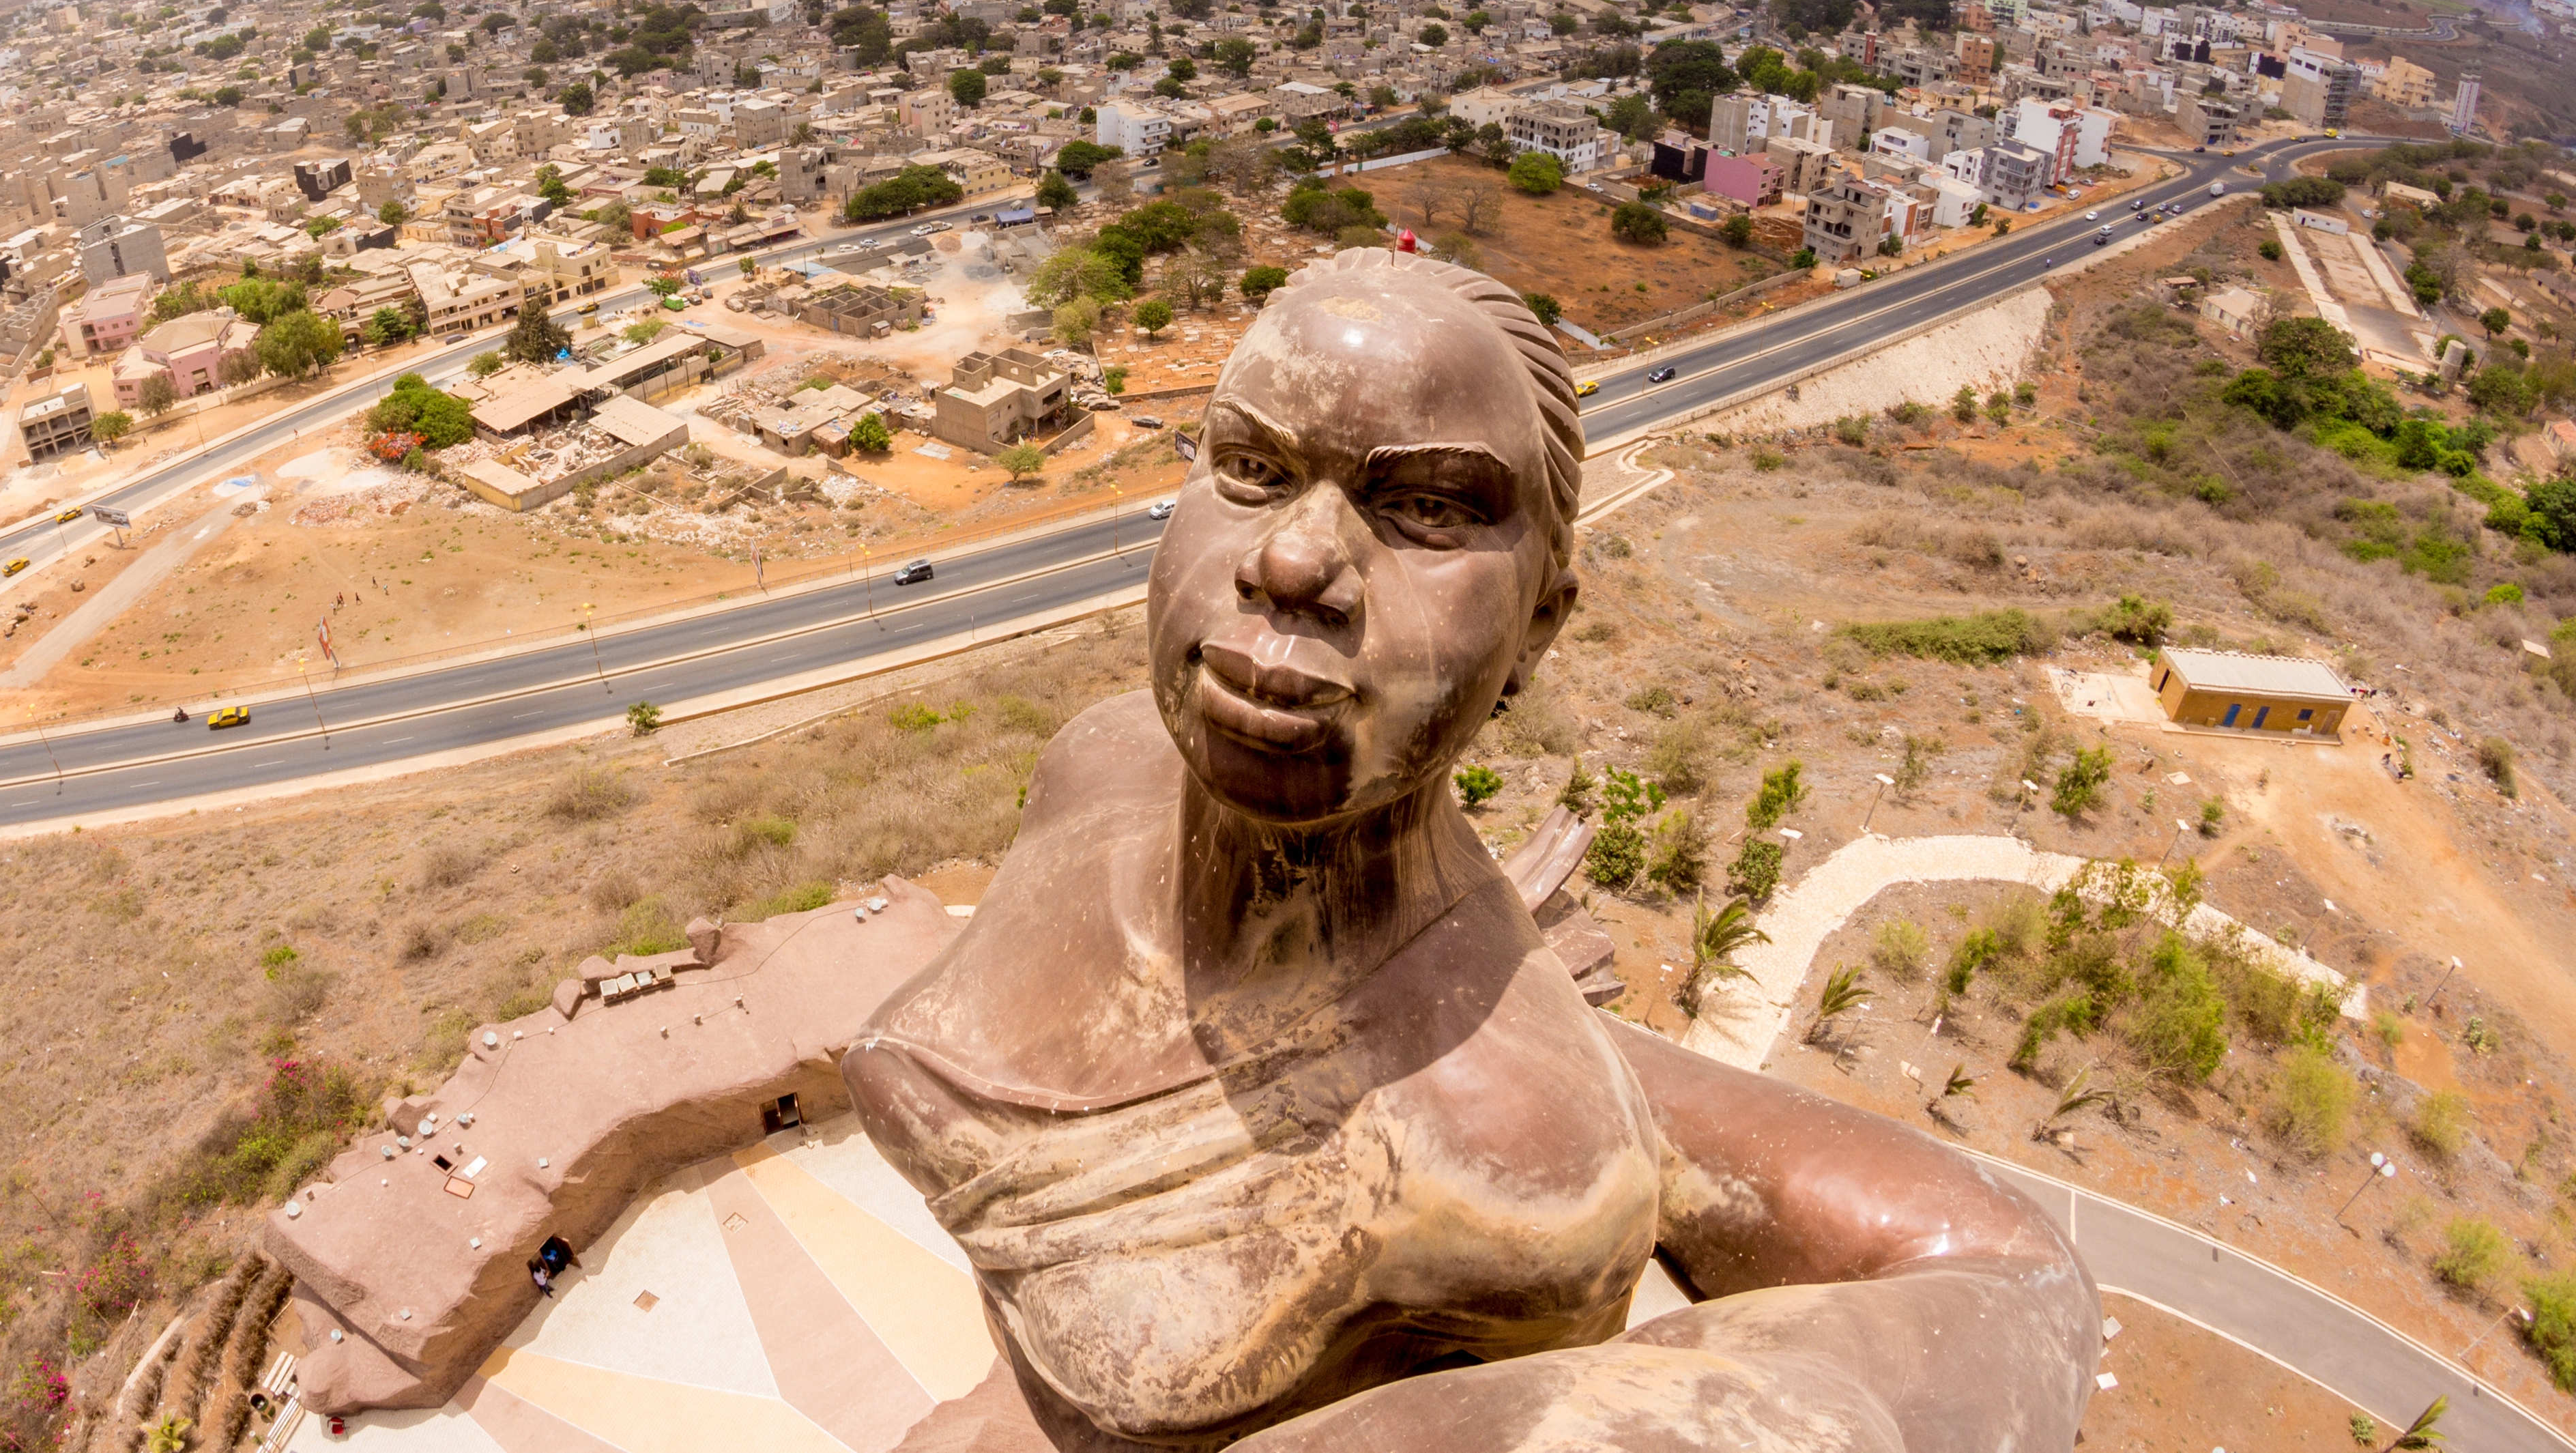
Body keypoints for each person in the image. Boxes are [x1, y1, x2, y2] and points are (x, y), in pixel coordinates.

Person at [848, 250, 2096, 1453]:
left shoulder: (1512, 1164)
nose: (1292, 561)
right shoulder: (1102, 758)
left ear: (1540, 621)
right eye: (1248, 465)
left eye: (1429, 509)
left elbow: (1988, 1288)